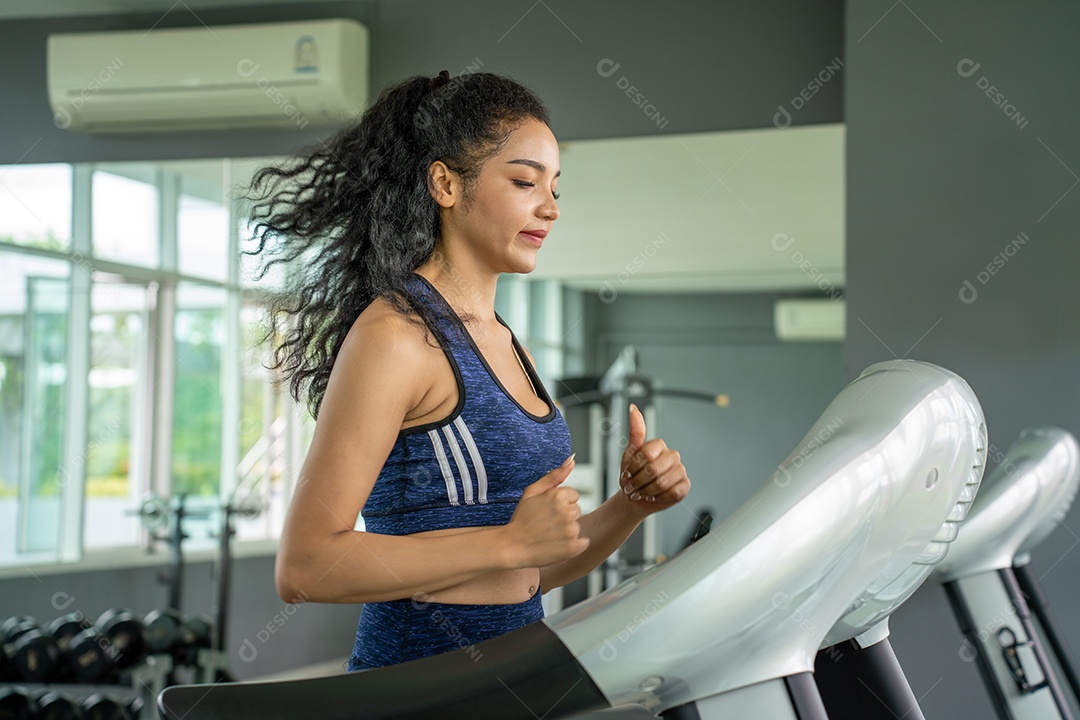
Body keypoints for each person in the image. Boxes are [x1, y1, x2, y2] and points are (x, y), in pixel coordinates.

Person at [244, 69, 691, 670]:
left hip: (511, 677)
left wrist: (630, 505)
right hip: (415, 690)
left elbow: (530, 570)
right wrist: (507, 541)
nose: (550, 208)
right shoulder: (395, 337)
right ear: (446, 183)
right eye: (525, 181)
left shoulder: (510, 348)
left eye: (556, 188)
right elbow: (304, 566)